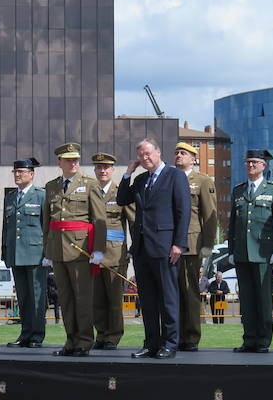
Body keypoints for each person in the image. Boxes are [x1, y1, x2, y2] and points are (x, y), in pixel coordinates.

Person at [117, 138, 191, 359]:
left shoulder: (174, 175)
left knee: (168, 299)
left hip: (165, 246)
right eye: (141, 155)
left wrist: (179, 243)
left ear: (158, 152)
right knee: (147, 300)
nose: (145, 158)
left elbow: (183, 211)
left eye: (148, 153)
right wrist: (128, 173)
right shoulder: (140, 180)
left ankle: (170, 343)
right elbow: (122, 199)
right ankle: (151, 343)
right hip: (142, 248)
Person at [42, 142, 107, 357]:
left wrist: (98, 250)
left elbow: (99, 220)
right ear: (59, 162)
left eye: (76, 159)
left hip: (81, 250)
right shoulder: (51, 186)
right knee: (66, 299)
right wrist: (47, 251)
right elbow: (47, 221)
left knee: (83, 298)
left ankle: (84, 342)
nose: (74, 163)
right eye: (69, 159)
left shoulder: (89, 184)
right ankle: (70, 340)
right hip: (58, 249)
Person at [229, 149, 273, 353]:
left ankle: (262, 340)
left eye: (254, 162)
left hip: (263, 253)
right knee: (246, 299)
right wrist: (231, 250)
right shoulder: (238, 190)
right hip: (242, 252)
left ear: (264, 165)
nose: (250, 165)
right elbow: (233, 224)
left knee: (262, 299)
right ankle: (249, 339)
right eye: (248, 162)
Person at [173, 142, 218, 351]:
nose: (178, 155)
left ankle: (190, 337)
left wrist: (208, 244)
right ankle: (174, 335)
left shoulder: (202, 180)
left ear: (193, 158)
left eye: (183, 153)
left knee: (189, 291)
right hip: (168, 243)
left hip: (191, 243)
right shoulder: (170, 177)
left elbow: (209, 214)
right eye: (177, 153)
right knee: (172, 293)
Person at [90, 152, 135, 350]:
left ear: (112, 170)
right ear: (94, 169)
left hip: (115, 255)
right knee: (96, 300)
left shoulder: (121, 192)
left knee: (114, 301)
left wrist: (135, 249)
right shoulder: (89, 191)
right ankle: (101, 335)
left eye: (106, 167)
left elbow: (134, 221)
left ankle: (113, 337)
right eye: (99, 167)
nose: (102, 171)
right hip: (91, 255)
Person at [3, 157, 48, 348]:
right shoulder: (10, 197)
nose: (17, 175)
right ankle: (25, 333)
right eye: (15, 172)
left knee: (37, 297)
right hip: (16, 254)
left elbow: (47, 227)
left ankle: (37, 335)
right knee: (23, 297)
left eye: (21, 171)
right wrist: (5, 252)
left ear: (31, 174)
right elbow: (7, 228)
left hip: (36, 254)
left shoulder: (41, 196)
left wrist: (49, 254)